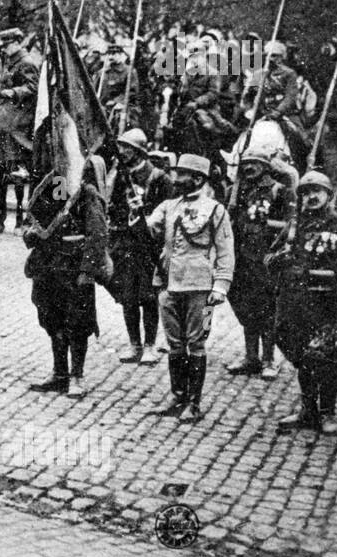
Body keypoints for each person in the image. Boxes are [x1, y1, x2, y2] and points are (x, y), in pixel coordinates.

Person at [268, 171, 337, 434]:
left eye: (317, 191)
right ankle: (307, 410)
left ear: (328, 194)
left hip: (330, 305)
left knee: (327, 359)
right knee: (303, 357)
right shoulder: (294, 226)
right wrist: (281, 257)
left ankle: (327, 412)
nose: (312, 196)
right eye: (306, 192)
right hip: (298, 304)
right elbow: (269, 258)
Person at [146, 153, 235, 423]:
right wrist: (138, 213)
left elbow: (225, 250)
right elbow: (149, 231)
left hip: (201, 289)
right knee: (175, 343)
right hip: (168, 284)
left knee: (196, 343)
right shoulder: (168, 206)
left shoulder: (215, 210)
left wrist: (221, 285)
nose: (175, 179)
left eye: (181, 174)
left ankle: (194, 403)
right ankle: (177, 395)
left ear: (197, 178)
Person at [24, 156, 111, 399]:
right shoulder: (52, 190)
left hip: (74, 269)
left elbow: (97, 235)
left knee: (77, 325)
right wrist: (30, 234)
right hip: (48, 267)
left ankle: (77, 376)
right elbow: (33, 220)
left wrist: (87, 271)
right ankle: (59, 373)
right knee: (52, 320)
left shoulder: (87, 195)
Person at [225, 146, 296, 379]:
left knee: (266, 309)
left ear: (266, 167)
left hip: (265, 260)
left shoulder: (279, 191)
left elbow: (289, 225)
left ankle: (268, 360)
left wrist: (276, 251)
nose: (248, 167)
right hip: (240, 259)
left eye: (254, 162)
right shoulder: (235, 190)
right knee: (245, 308)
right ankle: (250, 357)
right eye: (245, 163)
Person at [106, 129, 172, 365]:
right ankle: (134, 344)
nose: (122, 151)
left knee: (149, 296)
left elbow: (168, 213)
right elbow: (112, 206)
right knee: (128, 296)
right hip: (124, 243)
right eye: (121, 147)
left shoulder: (158, 178)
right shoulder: (120, 176)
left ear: (138, 152)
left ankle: (150, 345)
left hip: (148, 246)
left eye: (127, 148)